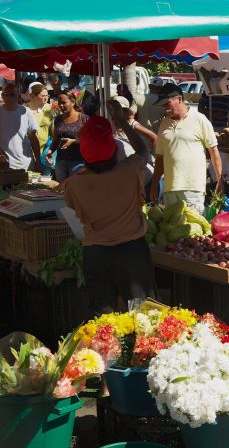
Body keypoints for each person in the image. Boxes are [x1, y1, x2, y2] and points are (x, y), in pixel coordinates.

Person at [62, 102, 156, 315]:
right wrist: (122, 121)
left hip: (96, 256)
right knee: (137, 311)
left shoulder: (73, 184)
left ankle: (108, 349)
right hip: (132, 253)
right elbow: (142, 148)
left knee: (103, 318)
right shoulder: (130, 170)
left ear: (84, 152)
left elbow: (74, 209)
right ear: (113, 149)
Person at [150, 83, 223, 215]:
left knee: (193, 232)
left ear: (179, 99)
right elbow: (160, 158)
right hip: (170, 189)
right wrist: (154, 183)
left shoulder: (200, 119)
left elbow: (213, 151)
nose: (164, 108)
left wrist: (219, 179)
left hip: (193, 188)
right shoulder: (164, 124)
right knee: (172, 231)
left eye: (167, 103)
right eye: (162, 105)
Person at [46, 90, 89, 182]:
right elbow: (55, 140)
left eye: (64, 102)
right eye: (59, 103)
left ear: (73, 102)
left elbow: (90, 140)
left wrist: (73, 141)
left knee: (76, 190)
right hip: (60, 162)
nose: (61, 106)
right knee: (61, 192)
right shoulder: (58, 120)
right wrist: (50, 151)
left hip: (78, 162)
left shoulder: (83, 119)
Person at [0, 83, 41, 171]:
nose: (8, 97)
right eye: (5, 94)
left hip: (26, 164)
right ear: (2, 96)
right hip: (5, 166)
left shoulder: (26, 112)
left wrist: (38, 161)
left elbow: (33, 139)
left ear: (18, 96)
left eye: (12, 94)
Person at [26, 84, 54, 175]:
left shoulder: (50, 108)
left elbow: (53, 131)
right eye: (42, 96)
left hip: (45, 152)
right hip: (28, 151)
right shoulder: (25, 109)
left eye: (47, 96)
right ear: (32, 96)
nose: (46, 98)